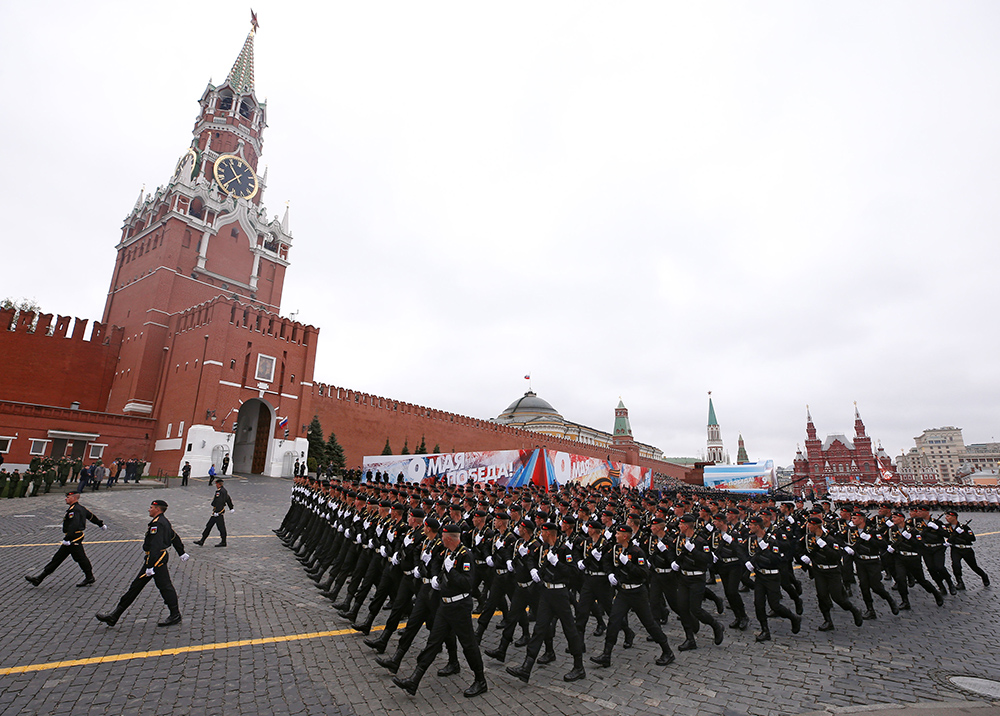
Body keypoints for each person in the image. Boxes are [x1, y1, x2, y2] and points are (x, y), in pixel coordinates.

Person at [391, 523, 488, 698]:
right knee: (433, 642)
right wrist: (436, 576)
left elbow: (467, 584)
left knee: (468, 644)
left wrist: (451, 572)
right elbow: (436, 562)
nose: (440, 539)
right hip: (445, 605)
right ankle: (414, 680)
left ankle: (480, 680)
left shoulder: (465, 556)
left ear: (449, 538)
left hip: (459, 606)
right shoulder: (448, 552)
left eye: (443, 537)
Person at [96, 499, 189, 627]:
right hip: (155, 558)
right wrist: (181, 552)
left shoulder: (158, 524)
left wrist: (150, 566)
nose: (149, 509)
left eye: (151, 507)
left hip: (156, 560)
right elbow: (174, 537)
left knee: (164, 586)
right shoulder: (162, 521)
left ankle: (175, 614)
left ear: (157, 509)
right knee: (138, 586)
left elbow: (155, 545)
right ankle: (115, 615)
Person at [25, 489, 107, 587]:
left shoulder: (74, 510)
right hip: (72, 537)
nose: (66, 499)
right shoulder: (80, 508)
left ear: (74, 498)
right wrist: (100, 524)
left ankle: (90, 577)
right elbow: (91, 517)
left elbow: (74, 525)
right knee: (58, 558)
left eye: (68, 497)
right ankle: (39, 578)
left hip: (73, 538)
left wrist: (68, 538)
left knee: (80, 558)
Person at [943, 511, 990, 589]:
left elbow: (972, 538)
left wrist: (962, 533)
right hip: (955, 549)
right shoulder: (947, 527)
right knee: (955, 565)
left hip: (966, 549)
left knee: (974, 566)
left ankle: (984, 576)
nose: (946, 518)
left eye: (948, 516)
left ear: (954, 517)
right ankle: (960, 582)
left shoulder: (964, 527)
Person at [194, 479, 234, 547]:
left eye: (216, 484)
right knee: (208, 526)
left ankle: (223, 542)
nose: (216, 485)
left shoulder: (220, 492)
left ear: (219, 484)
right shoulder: (224, 491)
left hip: (218, 513)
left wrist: (217, 512)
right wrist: (231, 507)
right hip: (216, 512)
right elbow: (228, 499)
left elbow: (219, 502)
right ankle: (202, 540)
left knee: (221, 528)